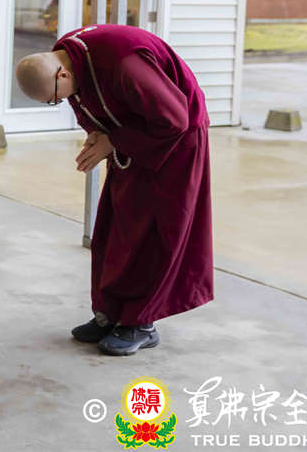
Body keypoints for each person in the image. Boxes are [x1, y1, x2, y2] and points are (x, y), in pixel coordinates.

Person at [15, 24, 214, 356]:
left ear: (62, 74)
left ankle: (140, 322)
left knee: (153, 231)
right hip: (131, 132)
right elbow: (84, 99)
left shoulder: (125, 64)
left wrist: (112, 140)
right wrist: (96, 133)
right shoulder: (68, 54)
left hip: (175, 140)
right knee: (115, 227)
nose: (61, 102)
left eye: (55, 99)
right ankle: (110, 313)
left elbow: (175, 120)